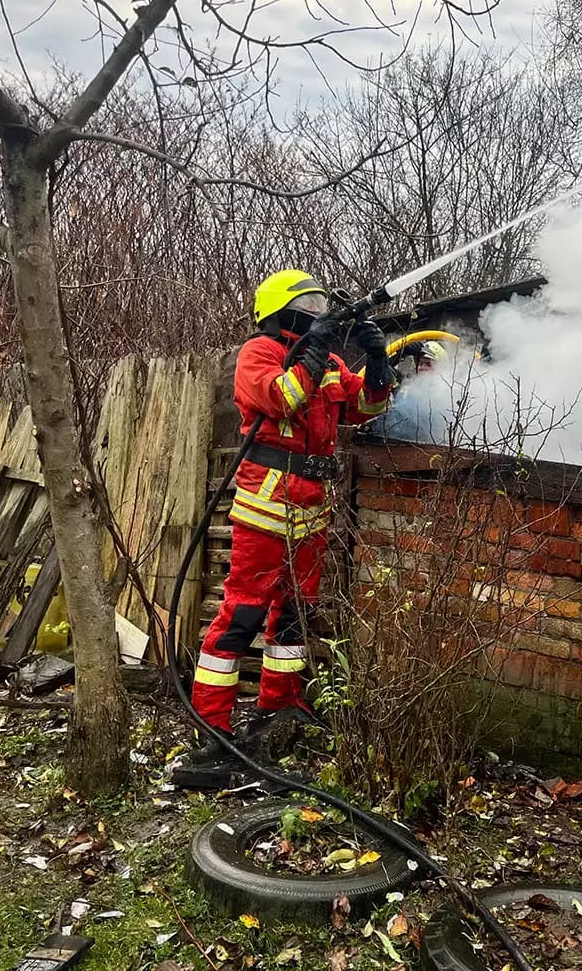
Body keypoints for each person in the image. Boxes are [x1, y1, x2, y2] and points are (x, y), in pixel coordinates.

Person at [175, 270, 395, 786]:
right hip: (265, 505)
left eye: (322, 304)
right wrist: (315, 350)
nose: (319, 310)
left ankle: (281, 704)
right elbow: (283, 399)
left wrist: (379, 360)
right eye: (310, 303)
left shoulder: (332, 362)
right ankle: (211, 725)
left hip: (313, 508)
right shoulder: (259, 353)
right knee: (242, 616)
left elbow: (366, 407)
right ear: (281, 308)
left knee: (295, 615)